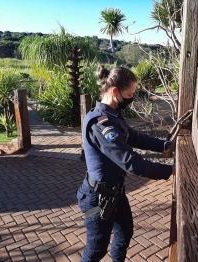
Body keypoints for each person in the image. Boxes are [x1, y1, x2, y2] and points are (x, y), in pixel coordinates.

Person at [76, 65, 175, 262]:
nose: (130, 99)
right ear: (115, 92)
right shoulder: (100, 125)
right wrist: (170, 170)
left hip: (115, 192)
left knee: (124, 232)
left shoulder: (113, 115)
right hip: (98, 197)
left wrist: (166, 146)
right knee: (96, 251)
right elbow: (131, 162)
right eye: (129, 94)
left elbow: (134, 137)